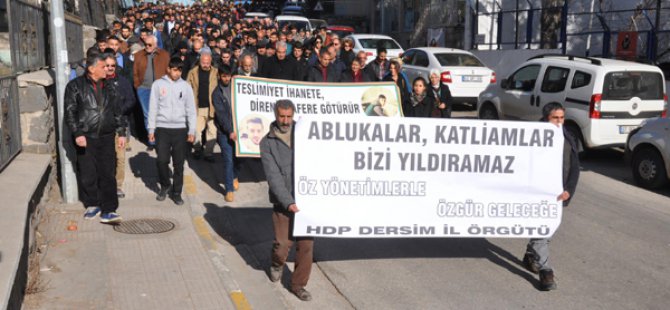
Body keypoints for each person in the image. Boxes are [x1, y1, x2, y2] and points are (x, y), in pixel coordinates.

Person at [523, 102, 580, 291]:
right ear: (546, 118)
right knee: (543, 231)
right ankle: (546, 272)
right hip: (538, 194)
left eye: (562, 118)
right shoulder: (533, 136)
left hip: (558, 195)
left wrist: (568, 190)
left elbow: (574, 168)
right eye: (555, 118)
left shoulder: (568, 138)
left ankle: (532, 255)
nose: (559, 122)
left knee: (546, 230)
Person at [260, 99, 314, 302]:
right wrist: (288, 201)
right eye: (282, 116)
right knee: (282, 245)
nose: (285, 120)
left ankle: (298, 285)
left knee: (306, 245)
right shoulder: (267, 143)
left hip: (306, 199)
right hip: (283, 202)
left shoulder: (304, 134)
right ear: (275, 115)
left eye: (289, 116)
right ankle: (276, 264)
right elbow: (273, 177)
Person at [64, 51, 126, 224]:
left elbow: (118, 111)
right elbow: (70, 112)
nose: (106, 69)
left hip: (107, 136)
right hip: (86, 136)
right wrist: (77, 133)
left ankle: (109, 209)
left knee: (107, 173)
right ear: (91, 69)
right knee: (88, 173)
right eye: (102, 66)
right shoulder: (75, 86)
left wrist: (121, 132)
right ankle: (93, 204)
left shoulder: (110, 86)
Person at [148, 57, 197, 206]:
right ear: (168, 69)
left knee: (179, 164)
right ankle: (164, 185)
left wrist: (192, 130)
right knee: (162, 160)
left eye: (180, 70)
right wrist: (151, 128)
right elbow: (153, 108)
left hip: (180, 129)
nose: (177, 73)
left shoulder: (186, 86)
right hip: (162, 128)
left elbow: (191, 109)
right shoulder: (157, 85)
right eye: (174, 70)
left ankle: (177, 192)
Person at [103, 50, 135, 199]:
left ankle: (118, 185)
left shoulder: (123, 82)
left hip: (120, 126)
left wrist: (119, 111)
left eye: (113, 66)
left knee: (120, 157)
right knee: (105, 158)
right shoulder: (99, 82)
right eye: (107, 65)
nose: (110, 68)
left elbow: (131, 100)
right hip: (103, 127)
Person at [133, 35, 170, 150]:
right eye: (145, 44)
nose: (147, 47)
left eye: (150, 45)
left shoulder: (164, 55)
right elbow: (135, 72)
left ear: (156, 44)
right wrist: (137, 86)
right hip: (144, 89)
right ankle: (152, 140)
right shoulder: (139, 55)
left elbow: (168, 71)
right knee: (147, 114)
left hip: (160, 89)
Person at [212, 65, 239, 202]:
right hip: (225, 132)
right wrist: (230, 131)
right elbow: (221, 116)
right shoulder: (216, 94)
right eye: (224, 76)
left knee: (239, 159)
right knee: (228, 159)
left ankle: (234, 175)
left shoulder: (236, 87)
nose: (226, 78)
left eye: (228, 76)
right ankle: (229, 189)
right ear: (219, 76)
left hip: (239, 130)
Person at [186, 51, 219, 161]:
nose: (206, 64)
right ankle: (197, 150)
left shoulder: (216, 73)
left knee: (212, 132)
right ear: (200, 62)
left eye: (208, 62)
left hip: (212, 107)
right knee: (196, 130)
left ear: (211, 62)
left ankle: (208, 153)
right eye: (204, 62)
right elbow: (187, 88)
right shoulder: (193, 72)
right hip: (198, 106)